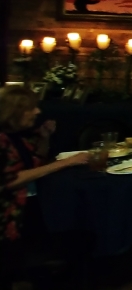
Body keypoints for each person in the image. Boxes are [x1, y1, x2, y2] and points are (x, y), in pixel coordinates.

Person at [0, 87, 91, 288]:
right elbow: (9, 180)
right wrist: (66, 163)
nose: (38, 111)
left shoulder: (18, 135)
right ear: (14, 111)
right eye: (31, 108)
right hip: (9, 218)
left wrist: (45, 137)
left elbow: (36, 162)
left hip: (28, 204)